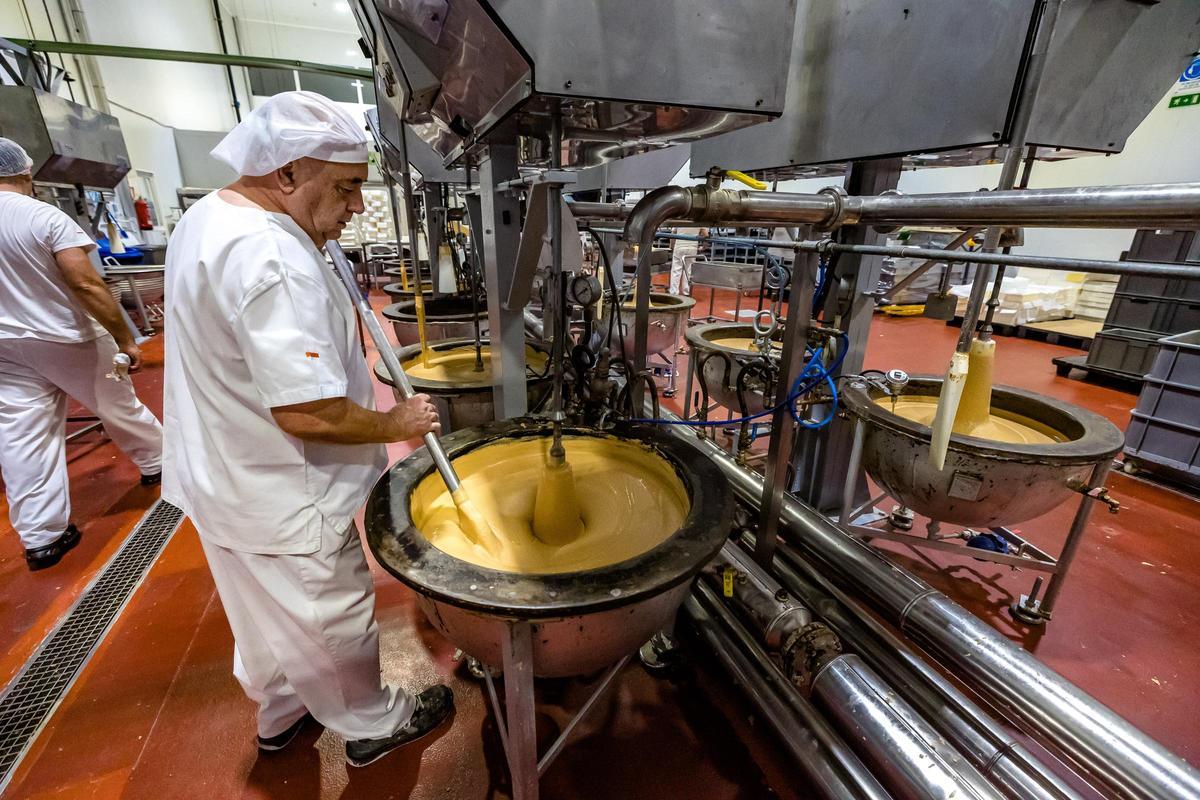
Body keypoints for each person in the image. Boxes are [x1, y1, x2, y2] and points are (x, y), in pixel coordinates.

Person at [162, 91, 452, 766]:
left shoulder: (209, 217)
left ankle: (280, 716)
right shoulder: (274, 259)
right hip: (285, 493)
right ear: (287, 173)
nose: (356, 207)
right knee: (331, 617)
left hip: (223, 480)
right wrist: (394, 419)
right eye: (348, 188)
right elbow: (306, 411)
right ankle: (371, 724)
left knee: (263, 621)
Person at [0, 137, 163, 571]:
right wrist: (125, 339)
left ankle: (42, 539)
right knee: (118, 405)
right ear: (23, 173)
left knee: (22, 436)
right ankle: (159, 462)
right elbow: (86, 282)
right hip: (68, 336)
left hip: (5, 347)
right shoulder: (41, 215)